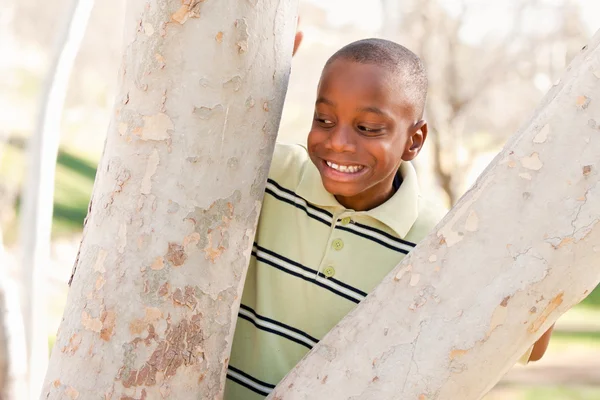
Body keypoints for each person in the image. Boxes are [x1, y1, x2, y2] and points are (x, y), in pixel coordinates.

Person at [224, 36, 553, 399]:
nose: (339, 142)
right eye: (324, 119)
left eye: (367, 128)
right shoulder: (269, 175)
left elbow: (530, 342)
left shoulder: (437, 241)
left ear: (414, 141)